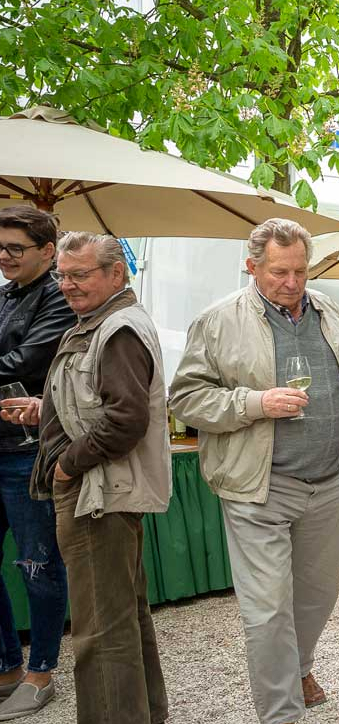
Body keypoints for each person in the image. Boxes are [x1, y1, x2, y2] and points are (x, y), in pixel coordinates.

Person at [169, 219, 339, 724]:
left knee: (318, 595)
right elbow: (187, 398)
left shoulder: (328, 309)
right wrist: (256, 402)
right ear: (252, 266)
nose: (293, 282)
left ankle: (299, 667)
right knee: (267, 607)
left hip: (332, 482)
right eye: (279, 272)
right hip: (260, 486)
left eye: (301, 271)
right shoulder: (218, 320)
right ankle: (281, 712)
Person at [1, 232, 170, 724]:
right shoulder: (98, 323)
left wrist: (67, 465)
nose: (68, 285)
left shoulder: (115, 329)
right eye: (63, 276)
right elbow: (98, 399)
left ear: (115, 274)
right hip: (103, 491)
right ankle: (148, 713)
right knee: (125, 617)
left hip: (99, 493)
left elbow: (125, 419)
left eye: (80, 275)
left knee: (101, 631)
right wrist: (45, 408)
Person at [0, 206, 71, 715]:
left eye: (15, 248)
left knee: (38, 567)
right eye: (0, 248)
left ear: (48, 251)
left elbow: (26, 359)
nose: (4, 256)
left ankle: (41, 670)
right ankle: (7, 663)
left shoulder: (60, 299)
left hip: (29, 452)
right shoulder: (6, 295)